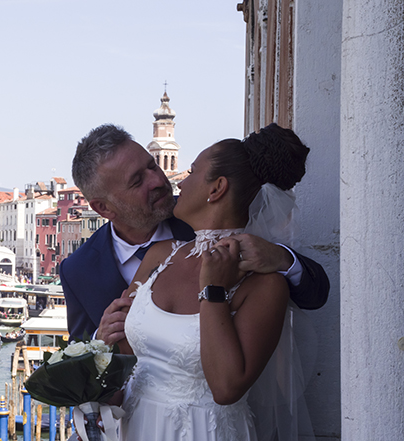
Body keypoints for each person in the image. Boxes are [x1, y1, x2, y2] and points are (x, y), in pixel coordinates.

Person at [106, 123, 309, 441]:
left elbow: (226, 386)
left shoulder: (264, 282)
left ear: (216, 188)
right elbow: (126, 352)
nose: (181, 179)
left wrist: (213, 289)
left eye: (193, 171)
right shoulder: (160, 255)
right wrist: (108, 333)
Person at [60, 124, 329, 343]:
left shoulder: (212, 217)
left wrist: (282, 260)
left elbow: (315, 296)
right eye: (137, 181)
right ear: (103, 208)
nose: (158, 181)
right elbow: (75, 361)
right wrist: (99, 338)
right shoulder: (78, 270)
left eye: (151, 166)